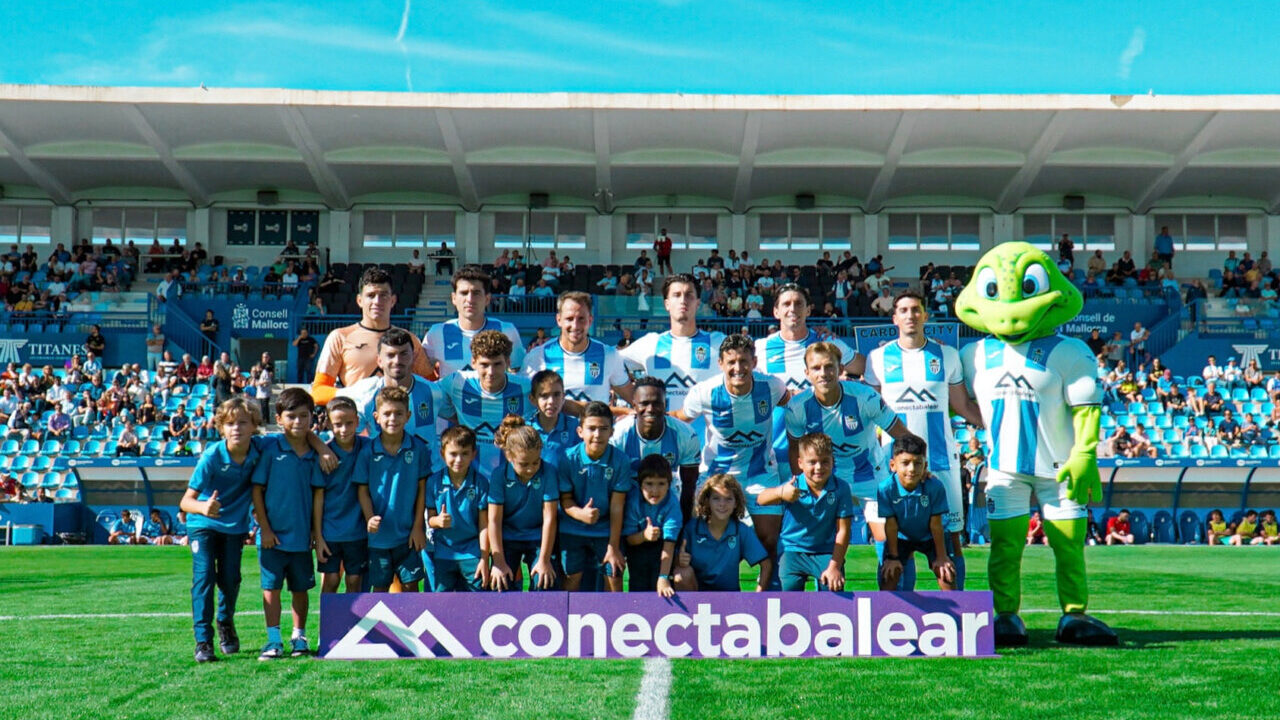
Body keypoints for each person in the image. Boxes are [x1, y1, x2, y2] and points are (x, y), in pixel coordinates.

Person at [864, 290, 985, 589]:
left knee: (950, 540)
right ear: (894, 318)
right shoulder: (877, 359)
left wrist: (998, 426)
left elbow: (963, 406)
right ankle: (899, 611)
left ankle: (956, 609)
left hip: (940, 462)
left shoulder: (948, 355)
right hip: (893, 465)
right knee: (893, 541)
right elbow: (869, 413)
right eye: (903, 310)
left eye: (916, 309)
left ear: (926, 316)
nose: (911, 315)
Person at [675, 334, 789, 587]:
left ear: (754, 362)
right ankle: (704, 590)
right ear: (721, 364)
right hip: (716, 477)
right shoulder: (705, 392)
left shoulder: (772, 386)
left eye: (744, 361)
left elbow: (792, 402)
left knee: (769, 540)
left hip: (761, 474)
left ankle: (767, 594)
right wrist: (636, 414)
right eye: (732, 362)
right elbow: (680, 417)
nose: (738, 368)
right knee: (698, 539)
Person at [179, 397, 263, 663]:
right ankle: (203, 641)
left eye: (243, 422)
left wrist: (322, 448)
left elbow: (297, 436)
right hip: (203, 524)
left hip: (234, 527)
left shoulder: (260, 449)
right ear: (221, 428)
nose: (236, 428)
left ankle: (225, 621)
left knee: (230, 579)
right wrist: (204, 507)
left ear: (254, 426)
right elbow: (185, 501)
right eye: (230, 423)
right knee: (204, 577)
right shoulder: (212, 456)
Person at [250, 388, 323, 660]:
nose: (298, 422)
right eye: (291, 416)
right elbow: (257, 491)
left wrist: (315, 532)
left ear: (312, 417)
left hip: (301, 537)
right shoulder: (270, 448)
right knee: (271, 589)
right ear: (279, 419)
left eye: (304, 416)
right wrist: (265, 529)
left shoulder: (315, 454)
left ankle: (299, 636)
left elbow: (317, 495)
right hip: (272, 537)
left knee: (300, 589)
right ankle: (273, 639)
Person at [312, 267, 431, 404]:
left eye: (383, 295)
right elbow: (318, 392)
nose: (377, 301)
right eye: (371, 295)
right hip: (357, 417)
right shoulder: (340, 338)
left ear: (393, 300)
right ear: (359, 300)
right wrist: (353, 394)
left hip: (398, 417)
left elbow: (430, 386)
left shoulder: (409, 340)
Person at [354, 386, 431, 594]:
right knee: (380, 587)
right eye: (387, 413)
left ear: (408, 416)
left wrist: (418, 527)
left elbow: (422, 490)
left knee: (411, 585)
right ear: (376, 417)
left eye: (398, 413)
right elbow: (362, 490)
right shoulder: (367, 452)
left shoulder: (418, 449)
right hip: (378, 538)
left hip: (408, 535)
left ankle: (411, 619)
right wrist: (369, 517)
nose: (392, 419)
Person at [335, 328, 451, 458]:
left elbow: (457, 416)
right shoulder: (366, 394)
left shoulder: (433, 391)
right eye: (390, 355)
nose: (397, 361)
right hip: (382, 467)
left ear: (413, 357)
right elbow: (347, 436)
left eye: (404, 354)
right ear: (379, 361)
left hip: (427, 468)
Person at [757, 433, 852, 592]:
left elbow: (843, 530)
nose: (819, 467)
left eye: (825, 461)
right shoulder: (793, 485)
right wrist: (780, 492)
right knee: (788, 592)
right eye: (812, 462)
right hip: (793, 550)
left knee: (833, 590)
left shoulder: (841, 488)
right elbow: (761, 499)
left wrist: (835, 566)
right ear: (800, 463)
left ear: (833, 461)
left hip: (826, 551)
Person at [619, 274, 727, 414]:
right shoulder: (650, 344)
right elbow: (610, 363)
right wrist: (635, 402)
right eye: (677, 295)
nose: (683, 300)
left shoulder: (719, 343)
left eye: (689, 295)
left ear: (698, 303)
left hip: (705, 429)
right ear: (667, 304)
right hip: (663, 428)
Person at [557, 401, 633, 592]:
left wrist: (613, 546)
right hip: (572, 528)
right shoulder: (568, 459)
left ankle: (612, 612)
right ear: (580, 431)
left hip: (606, 530)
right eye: (591, 428)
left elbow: (617, 506)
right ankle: (570, 613)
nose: (597, 434)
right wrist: (580, 514)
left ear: (612, 432)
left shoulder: (621, 461)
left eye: (603, 429)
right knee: (571, 578)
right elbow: (565, 499)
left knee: (614, 575)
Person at [609, 377, 701, 519]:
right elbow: (610, 484)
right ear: (634, 405)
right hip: (627, 499)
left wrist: (683, 525)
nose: (650, 409)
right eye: (644, 403)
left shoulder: (685, 435)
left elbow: (689, 486)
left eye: (657, 403)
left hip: (666, 500)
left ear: (665, 405)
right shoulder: (618, 436)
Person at [487, 417, 561, 591]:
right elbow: (494, 521)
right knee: (499, 583)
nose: (531, 469)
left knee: (545, 581)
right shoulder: (499, 475)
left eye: (535, 462)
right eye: (523, 464)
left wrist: (544, 560)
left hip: (538, 537)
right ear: (509, 456)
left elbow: (550, 518)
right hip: (508, 537)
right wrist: (498, 562)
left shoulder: (548, 472)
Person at [523, 291, 634, 405]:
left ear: (590, 320)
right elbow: (526, 403)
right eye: (569, 318)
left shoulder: (609, 355)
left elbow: (634, 400)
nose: (575, 326)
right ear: (559, 320)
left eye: (581, 318)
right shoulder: (538, 356)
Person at [876, 435, 957, 591]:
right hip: (901, 538)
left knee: (946, 573)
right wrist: (893, 557)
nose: (912, 469)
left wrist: (941, 557)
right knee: (889, 574)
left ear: (925, 466)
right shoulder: (885, 489)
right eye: (905, 463)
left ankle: (956, 606)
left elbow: (936, 525)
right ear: (893, 465)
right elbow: (891, 525)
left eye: (918, 463)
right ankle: (886, 605)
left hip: (930, 537)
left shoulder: (935, 486)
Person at [311, 396, 371, 594]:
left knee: (354, 581)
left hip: (357, 531)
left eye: (349, 423)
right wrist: (318, 536)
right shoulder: (324, 454)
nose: (344, 429)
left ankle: (351, 616)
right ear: (329, 424)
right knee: (331, 579)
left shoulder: (368, 447)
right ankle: (327, 616)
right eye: (338, 424)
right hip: (330, 531)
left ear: (357, 422)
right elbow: (318, 497)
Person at [671, 474, 771, 592]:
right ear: (707, 501)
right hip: (698, 596)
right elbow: (673, 561)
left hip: (729, 596)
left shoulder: (741, 530)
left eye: (728, 499)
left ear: (736, 503)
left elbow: (766, 564)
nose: (722, 504)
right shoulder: (692, 528)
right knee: (682, 573)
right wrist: (678, 560)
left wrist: (758, 596)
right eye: (716, 498)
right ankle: (689, 605)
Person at [423, 267, 526, 377]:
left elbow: (518, 371)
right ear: (454, 298)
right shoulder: (437, 332)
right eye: (464, 293)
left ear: (487, 299)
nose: (470, 299)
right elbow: (422, 372)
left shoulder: (506, 330)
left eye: (476, 293)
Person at [425, 426, 490, 592]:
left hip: (472, 552)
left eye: (465, 453)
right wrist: (438, 521)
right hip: (444, 552)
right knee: (442, 600)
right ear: (442, 454)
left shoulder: (481, 483)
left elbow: (484, 525)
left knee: (477, 598)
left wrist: (484, 558)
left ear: (473, 454)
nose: (459, 459)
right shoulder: (433, 482)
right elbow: (430, 519)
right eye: (453, 454)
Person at [620, 454, 682, 596]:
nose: (655, 490)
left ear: (669, 484)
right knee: (638, 584)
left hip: (662, 549)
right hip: (637, 546)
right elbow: (629, 539)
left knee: (661, 585)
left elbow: (669, 544)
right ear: (640, 484)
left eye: (661, 484)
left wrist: (663, 577)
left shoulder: (672, 504)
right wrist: (644, 536)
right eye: (649, 483)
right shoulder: (634, 502)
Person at [527, 370, 579, 467]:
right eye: (544, 396)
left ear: (563, 397)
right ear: (533, 399)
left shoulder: (575, 427)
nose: (551, 401)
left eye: (556, 394)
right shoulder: (526, 429)